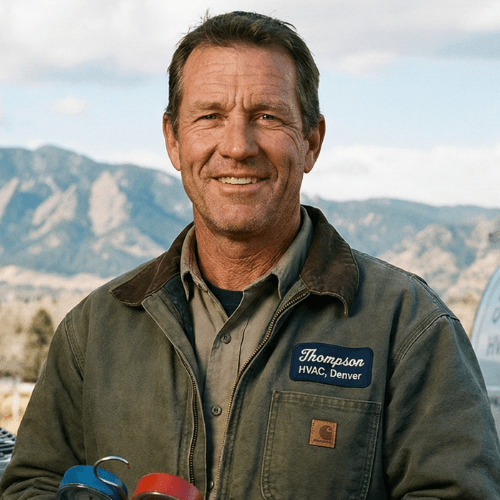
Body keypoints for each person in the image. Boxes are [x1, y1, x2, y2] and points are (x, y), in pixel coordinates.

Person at [1, 11, 499, 500]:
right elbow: (32, 484)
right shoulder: (94, 330)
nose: (237, 146)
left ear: (311, 141)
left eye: (267, 116)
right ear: (174, 140)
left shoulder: (408, 326)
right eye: (210, 117)